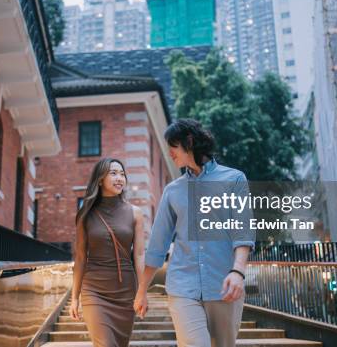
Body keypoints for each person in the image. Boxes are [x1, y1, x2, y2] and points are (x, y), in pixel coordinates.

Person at [134, 119, 255, 347]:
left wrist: (238, 271)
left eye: (173, 145)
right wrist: (142, 290)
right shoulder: (172, 191)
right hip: (182, 285)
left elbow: (243, 231)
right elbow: (157, 246)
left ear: (189, 141)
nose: (169, 152)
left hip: (224, 284)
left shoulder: (234, 179)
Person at [69, 158, 146, 347]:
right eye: (113, 173)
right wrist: (74, 297)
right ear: (100, 179)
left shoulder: (135, 213)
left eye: (122, 174)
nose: (119, 178)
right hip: (94, 290)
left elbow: (139, 255)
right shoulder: (85, 214)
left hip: (125, 291)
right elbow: (80, 258)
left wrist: (142, 292)